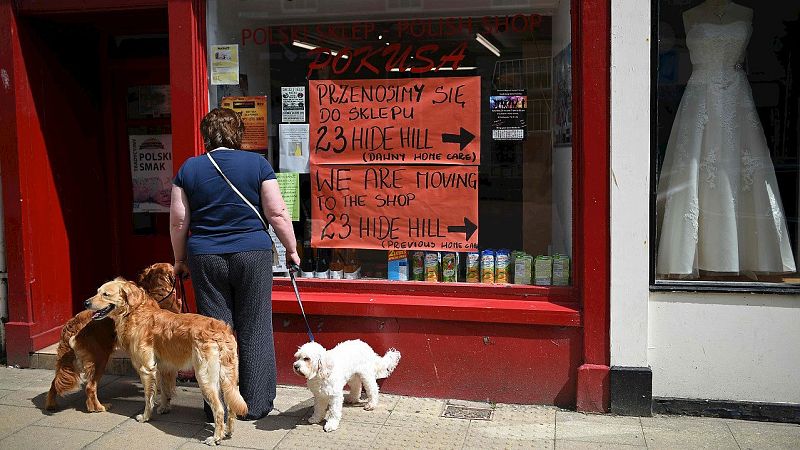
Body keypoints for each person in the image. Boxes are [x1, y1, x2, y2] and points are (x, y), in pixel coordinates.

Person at [169, 107, 300, 421]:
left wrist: (179, 259)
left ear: (206, 136)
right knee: (255, 327)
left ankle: (219, 405)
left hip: (205, 256)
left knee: (215, 333)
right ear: (238, 134)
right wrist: (292, 249)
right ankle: (255, 404)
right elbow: (278, 213)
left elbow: (178, 221)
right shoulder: (257, 164)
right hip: (251, 254)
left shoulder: (189, 168)